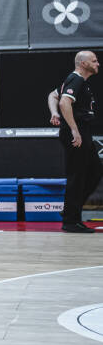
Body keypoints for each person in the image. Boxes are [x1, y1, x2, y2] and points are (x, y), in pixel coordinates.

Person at [54, 50, 100, 233]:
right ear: (83, 63)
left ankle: (70, 210)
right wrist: (74, 129)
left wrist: (54, 113)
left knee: (95, 171)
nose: (98, 64)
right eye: (94, 61)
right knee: (77, 176)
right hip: (76, 133)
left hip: (83, 131)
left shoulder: (77, 81)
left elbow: (53, 95)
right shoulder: (76, 79)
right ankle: (70, 221)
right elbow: (64, 102)